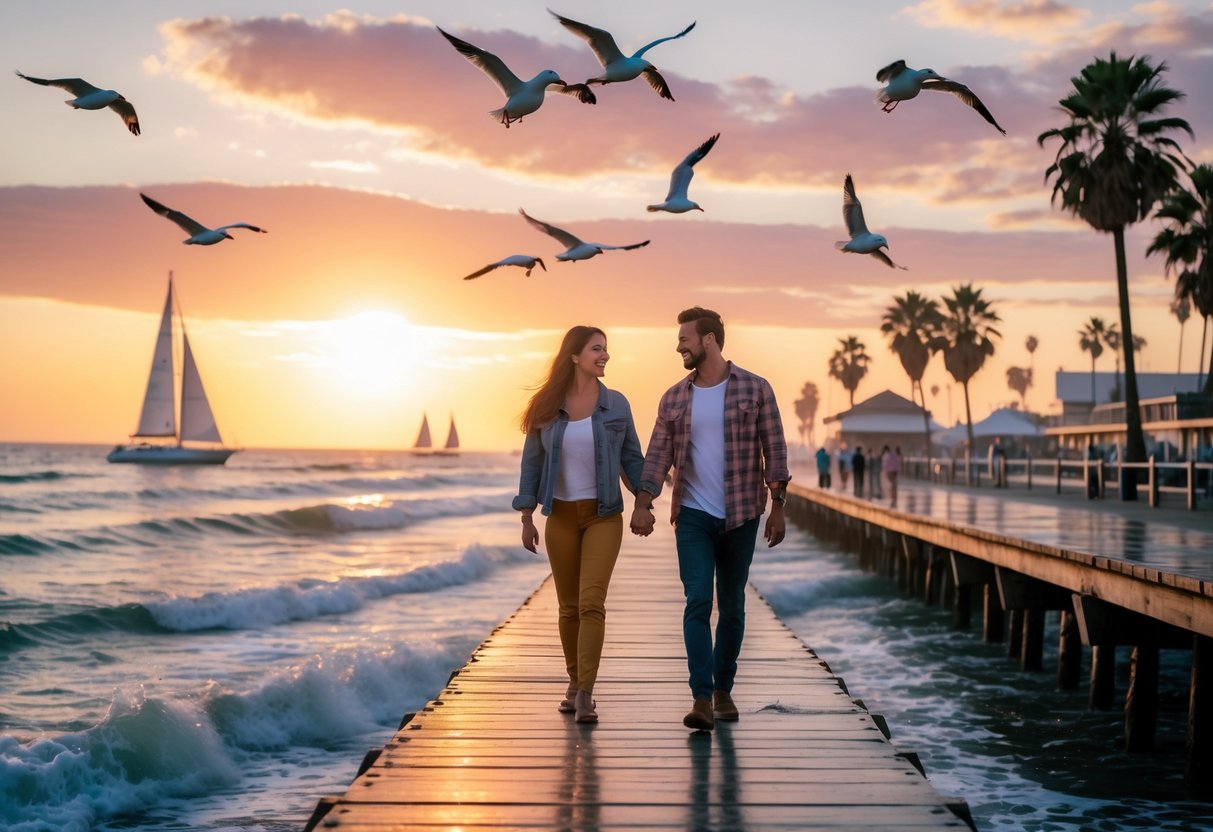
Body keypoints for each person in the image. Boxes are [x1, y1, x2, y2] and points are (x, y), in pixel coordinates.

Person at [629, 307, 789, 732]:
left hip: (742, 513)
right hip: (693, 514)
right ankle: (701, 696)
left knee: (732, 606)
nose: (678, 345)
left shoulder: (755, 389)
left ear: (709, 340)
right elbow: (658, 454)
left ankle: (723, 690)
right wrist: (644, 501)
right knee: (698, 600)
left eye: (685, 338)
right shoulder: (674, 398)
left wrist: (779, 506)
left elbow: (775, 449)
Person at [513, 325, 645, 724]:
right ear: (574, 356)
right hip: (562, 517)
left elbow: (633, 459)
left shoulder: (616, 405)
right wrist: (526, 517)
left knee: (591, 603)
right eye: (597, 349)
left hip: (604, 514)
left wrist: (646, 501)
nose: (605, 356)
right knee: (568, 608)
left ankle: (586, 692)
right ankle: (573, 682)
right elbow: (532, 464)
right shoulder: (547, 406)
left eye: (606, 350)